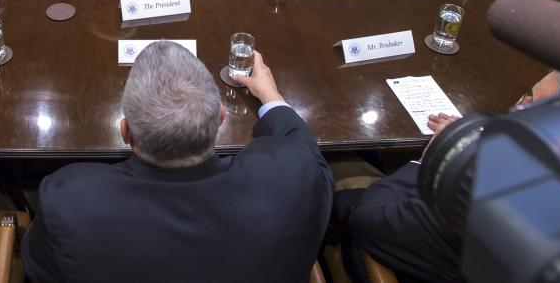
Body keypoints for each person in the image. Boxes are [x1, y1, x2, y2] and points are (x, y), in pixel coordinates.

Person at [23, 42, 334, 283]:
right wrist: (272, 96)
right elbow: (298, 140)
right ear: (220, 120)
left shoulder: (69, 202)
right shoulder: (293, 177)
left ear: (125, 131)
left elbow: (40, 271)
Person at [345, 71, 560, 283]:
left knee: (339, 167)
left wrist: (432, 158)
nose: (517, 106)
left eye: (529, 100)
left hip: (387, 244)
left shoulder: (475, 202)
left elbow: (368, 219)